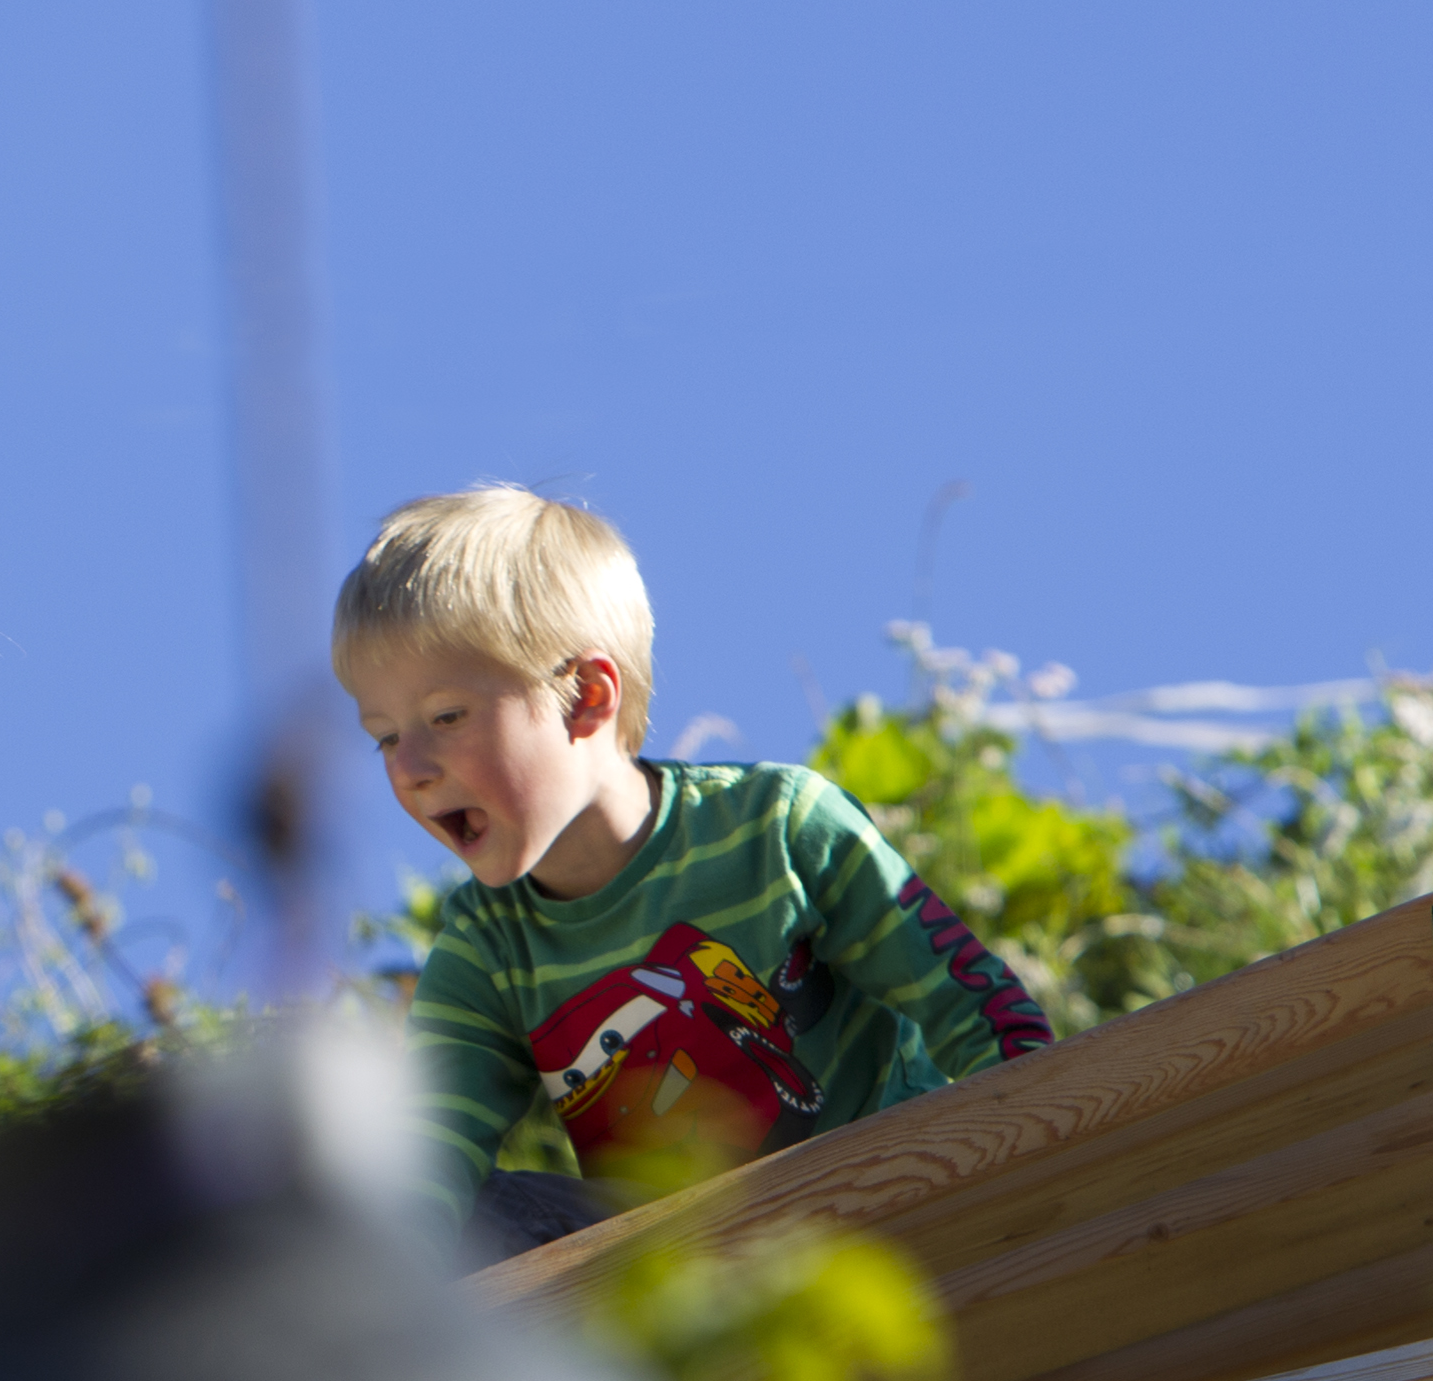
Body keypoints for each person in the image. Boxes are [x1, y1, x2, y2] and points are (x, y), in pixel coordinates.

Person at [334, 486, 1055, 1256]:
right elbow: (433, 1141)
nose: (409, 768)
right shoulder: (487, 951)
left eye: (445, 718)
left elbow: (973, 1007)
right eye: (382, 737)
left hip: (890, 1209)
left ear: (586, 697)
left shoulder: (774, 828)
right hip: (689, 1286)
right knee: (449, 1213)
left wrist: (1042, 1162)